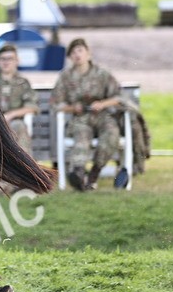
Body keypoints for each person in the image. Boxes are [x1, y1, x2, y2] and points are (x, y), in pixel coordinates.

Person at [51, 37, 126, 191]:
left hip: (102, 115)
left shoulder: (102, 73)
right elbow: (56, 103)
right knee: (81, 136)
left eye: (80, 51)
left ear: (88, 53)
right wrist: (72, 108)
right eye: (73, 52)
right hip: (81, 117)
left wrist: (102, 104)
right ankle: (78, 173)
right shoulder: (65, 77)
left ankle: (94, 174)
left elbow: (119, 97)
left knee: (111, 134)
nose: (77, 55)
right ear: (70, 57)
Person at [0, 44, 38, 153]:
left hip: (14, 123)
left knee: (18, 126)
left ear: (17, 61)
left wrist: (10, 115)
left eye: (10, 58)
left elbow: (32, 106)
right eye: (3, 59)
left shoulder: (22, 82)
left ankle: (22, 166)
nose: (6, 62)